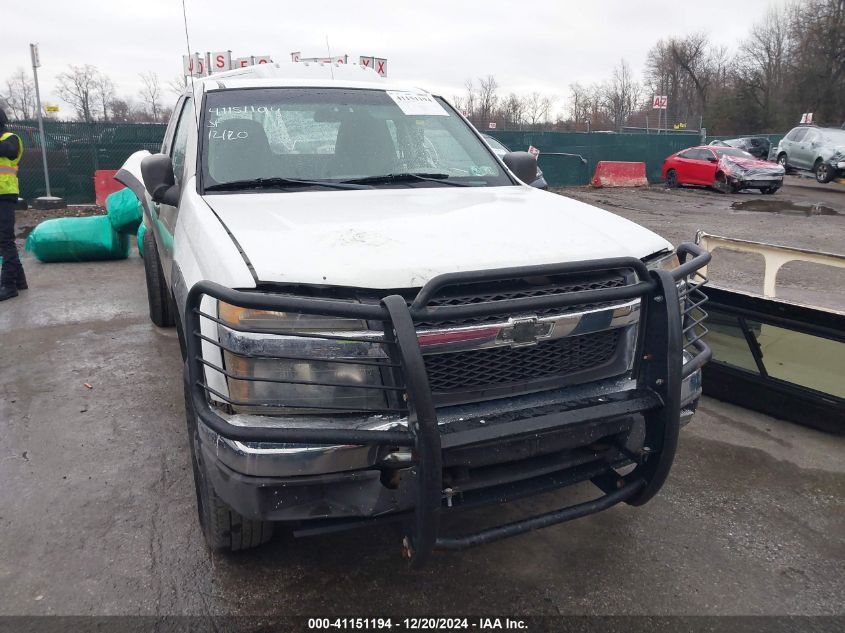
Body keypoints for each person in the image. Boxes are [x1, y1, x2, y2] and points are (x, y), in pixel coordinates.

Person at [0, 107, 26, 301]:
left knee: (5, 240)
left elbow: (9, 152)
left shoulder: (11, 138)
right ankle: (20, 281)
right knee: (4, 240)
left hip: (5, 194)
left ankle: (8, 285)